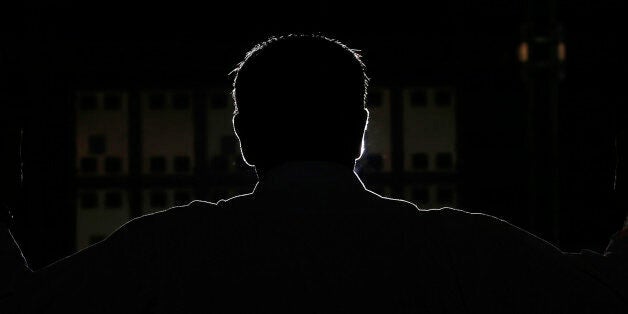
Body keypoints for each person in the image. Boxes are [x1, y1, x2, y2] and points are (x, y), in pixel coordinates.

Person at [1, 34, 628, 313]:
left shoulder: (161, 253)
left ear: (244, 135)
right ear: (358, 130)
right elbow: (607, 294)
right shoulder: (463, 252)